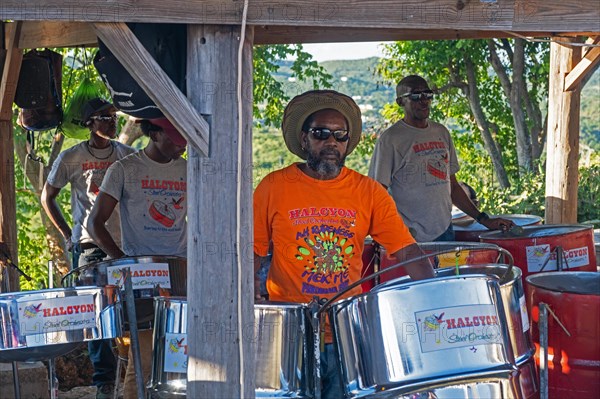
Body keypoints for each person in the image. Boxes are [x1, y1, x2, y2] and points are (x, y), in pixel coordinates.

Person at [253, 90, 434, 398]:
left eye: (340, 135)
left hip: (345, 331)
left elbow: (406, 251)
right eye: (321, 133)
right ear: (305, 138)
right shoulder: (273, 187)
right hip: (289, 331)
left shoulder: (369, 192)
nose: (331, 142)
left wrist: (436, 297)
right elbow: (251, 255)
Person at [41, 97, 135, 399]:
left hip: (125, 244)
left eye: (114, 116)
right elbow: (48, 197)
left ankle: (135, 377)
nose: (112, 121)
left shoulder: (127, 155)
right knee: (97, 318)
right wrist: (69, 234)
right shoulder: (72, 157)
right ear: (90, 124)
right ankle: (104, 383)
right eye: (105, 117)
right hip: (88, 245)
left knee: (132, 312)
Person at [87, 117, 186, 399]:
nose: (183, 145)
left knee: (183, 359)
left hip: (183, 271)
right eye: (175, 139)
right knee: (142, 362)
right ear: (154, 133)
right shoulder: (125, 169)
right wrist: (124, 262)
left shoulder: (190, 168)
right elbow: (95, 223)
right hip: (142, 277)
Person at [368, 75, 514, 242]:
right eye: (415, 96)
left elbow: (452, 186)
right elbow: (377, 192)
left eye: (428, 94)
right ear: (400, 102)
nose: (424, 101)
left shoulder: (441, 132)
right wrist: (392, 231)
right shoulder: (391, 139)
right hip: (409, 237)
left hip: (445, 231)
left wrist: (483, 219)